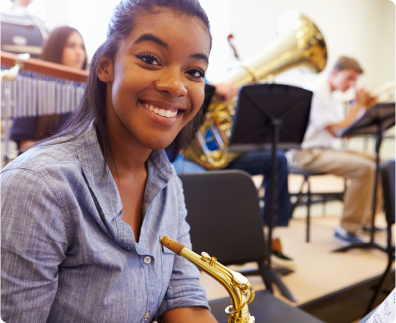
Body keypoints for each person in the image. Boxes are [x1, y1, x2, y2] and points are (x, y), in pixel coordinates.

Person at [0, 1, 217, 322]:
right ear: (105, 66)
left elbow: (182, 295)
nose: (176, 85)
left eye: (194, 71)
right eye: (150, 59)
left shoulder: (168, 180)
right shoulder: (37, 187)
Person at [173, 81, 293, 266]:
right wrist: (211, 88)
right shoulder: (203, 83)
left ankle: (270, 232)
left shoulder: (222, 83)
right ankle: (221, 247)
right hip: (191, 158)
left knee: (278, 159)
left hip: (223, 156)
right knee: (210, 185)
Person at [294, 56, 381, 247]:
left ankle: (366, 220)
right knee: (365, 168)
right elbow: (337, 131)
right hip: (308, 154)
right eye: (349, 78)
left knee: (380, 162)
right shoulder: (317, 91)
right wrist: (358, 104)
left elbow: (346, 134)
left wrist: (362, 107)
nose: (353, 84)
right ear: (334, 73)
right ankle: (346, 230)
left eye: (355, 80)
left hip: (327, 150)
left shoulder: (331, 95)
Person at [10, 26, 87, 149]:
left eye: (82, 47)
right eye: (71, 46)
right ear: (56, 49)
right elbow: (26, 143)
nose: (79, 52)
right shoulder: (35, 88)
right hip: (43, 165)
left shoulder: (87, 92)